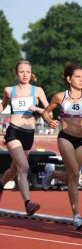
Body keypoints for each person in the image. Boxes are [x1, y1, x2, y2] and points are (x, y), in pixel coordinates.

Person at [41, 63, 82, 230]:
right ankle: (76, 216)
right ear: (69, 79)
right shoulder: (59, 97)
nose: (81, 80)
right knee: (75, 173)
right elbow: (45, 112)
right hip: (65, 138)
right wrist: (49, 121)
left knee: (74, 177)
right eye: (78, 77)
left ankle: (53, 172)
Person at [0, 60, 49, 215]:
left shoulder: (38, 91)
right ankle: (28, 203)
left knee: (15, 169)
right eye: (22, 72)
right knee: (24, 167)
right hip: (13, 131)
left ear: (31, 73)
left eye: (28, 72)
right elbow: (3, 106)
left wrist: (38, 109)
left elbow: (49, 111)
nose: (25, 75)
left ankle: (0, 184)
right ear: (16, 73)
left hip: (29, 134)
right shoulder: (9, 90)